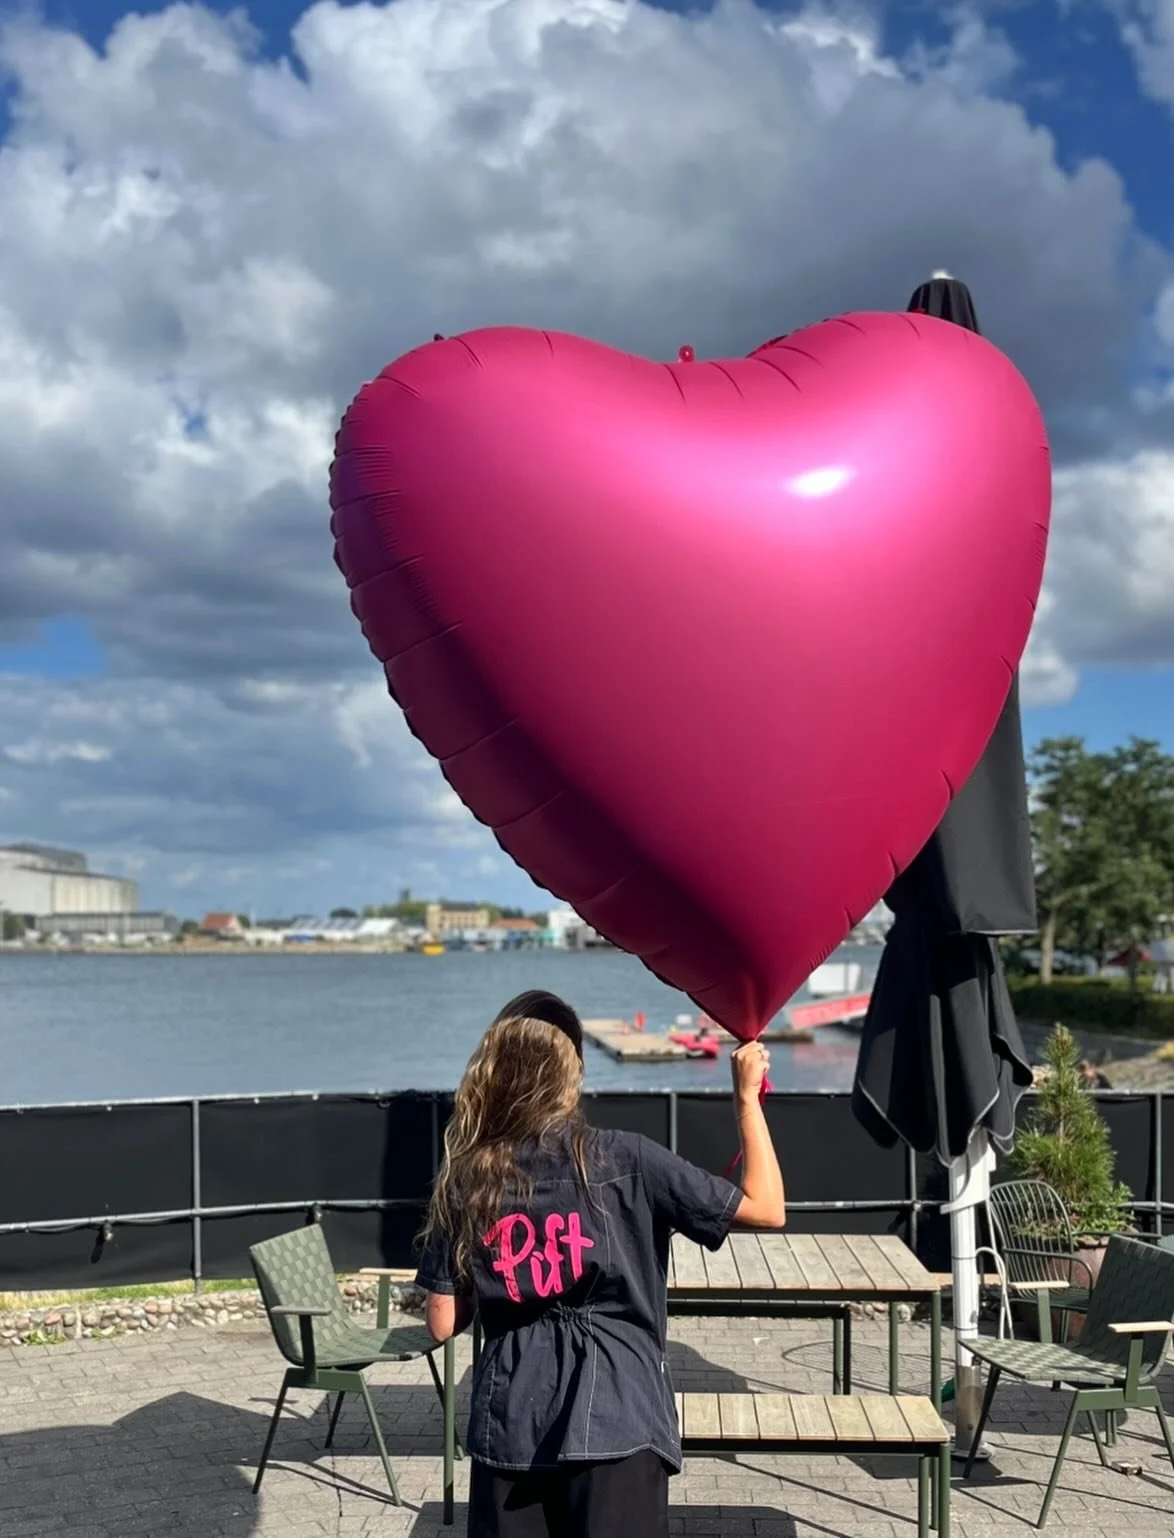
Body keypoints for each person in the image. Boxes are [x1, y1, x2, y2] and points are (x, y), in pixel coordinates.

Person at [415, 989, 785, 1537]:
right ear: (575, 1074)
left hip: (513, 1416)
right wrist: (746, 1100)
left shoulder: (468, 1175)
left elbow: (443, 1323)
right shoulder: (628, 1158)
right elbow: (767, 1208)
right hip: (620, 1412)